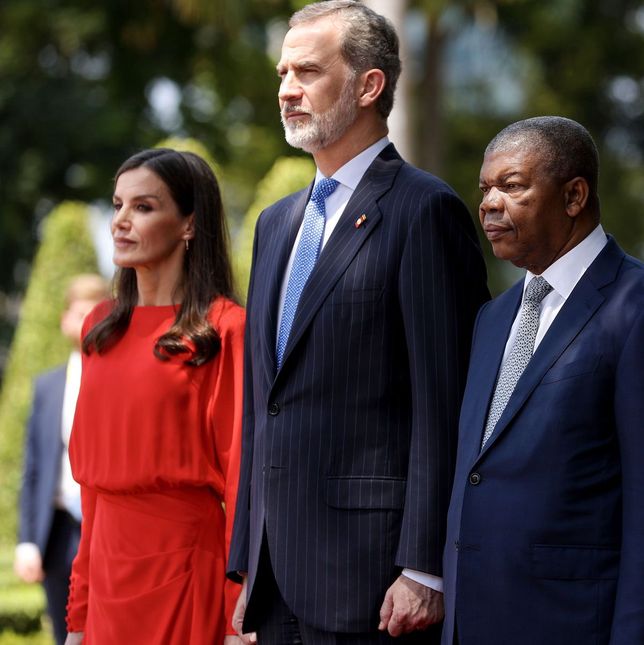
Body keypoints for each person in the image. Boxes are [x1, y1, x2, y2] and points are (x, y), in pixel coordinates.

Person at [227, 2, 490, 643]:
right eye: (283, 72)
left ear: (369, 85)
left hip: (376, 582)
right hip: (276, 577)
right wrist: (245, 564)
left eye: (309, 71)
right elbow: (266, 404)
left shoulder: (424, 210)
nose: (287, 89)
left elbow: (446, 399)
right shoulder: (275, 223)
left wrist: (426, 566)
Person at [441, 116, 644, 645]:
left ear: (574, 195)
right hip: (471, 621)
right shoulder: (492, 318)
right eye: (484, 189)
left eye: (511, 186)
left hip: (573, 623)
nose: (488, 205)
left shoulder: (635, 305)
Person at [63, 148, 245, 644]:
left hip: (185, 571)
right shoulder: (99, 326)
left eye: (143, 207)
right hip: (106, 580)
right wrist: (78, 612)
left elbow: (241, 483)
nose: (120, 221)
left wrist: (236, 613)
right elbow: (94, 494)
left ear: (189, 223)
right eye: (117, 205)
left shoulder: (224, 328)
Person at [15, 274, 109, 645]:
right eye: (81, 313)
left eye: (96, 313)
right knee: (63, 630)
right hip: (57, 530)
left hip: (106, 526)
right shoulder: (46, 386)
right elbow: (34, 467)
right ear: (65, 319)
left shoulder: (118, 378)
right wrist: (27, 541)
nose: (88, 322)